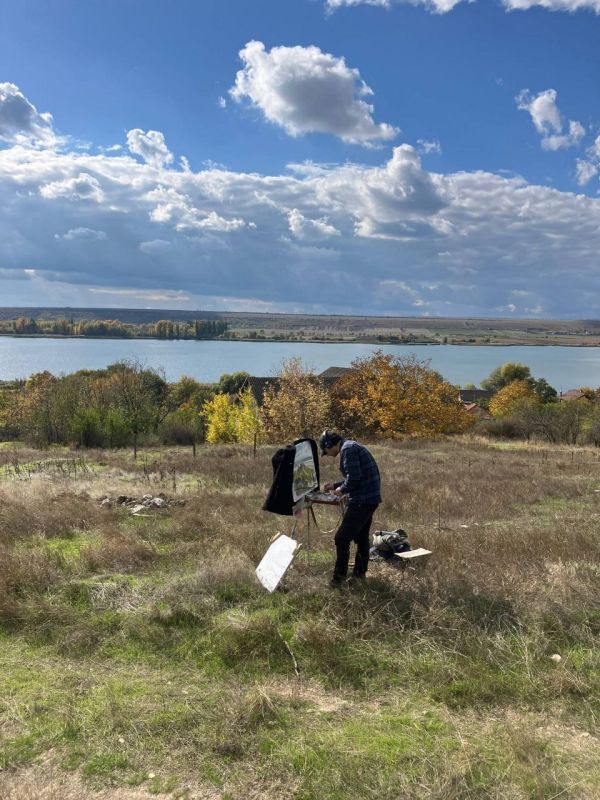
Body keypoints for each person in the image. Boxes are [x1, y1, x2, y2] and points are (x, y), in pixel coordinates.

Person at [319, 430, 381, 587]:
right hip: (369, 499)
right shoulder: (350, 446)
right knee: (361, 538)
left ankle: (338, 580)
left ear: (329, 445)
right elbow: (355, 476)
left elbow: (354, 479)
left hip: (362, 500)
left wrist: (340, 490)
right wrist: (335, 485)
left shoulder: (347, 449)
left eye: (326, 451)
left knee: (341, 538)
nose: (327, 454)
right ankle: (359, 575)